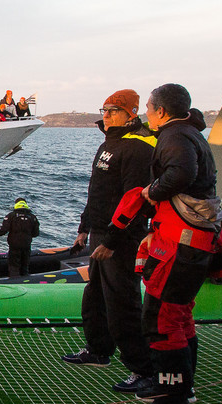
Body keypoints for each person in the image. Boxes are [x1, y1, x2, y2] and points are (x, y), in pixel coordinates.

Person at [109, 83, 222, 404]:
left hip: (181, 244)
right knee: (180, 315)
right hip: (194, 242)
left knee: (162, 319)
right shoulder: (190, 134)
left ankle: (173, 402)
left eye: (148, 107)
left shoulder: (174, 138)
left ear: (160, 111)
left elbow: (181, 173)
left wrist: (151, 192)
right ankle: (181, 388)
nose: (146, 112)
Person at [62, 89, 157, 383]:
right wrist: (84, 227)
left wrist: (111, 241)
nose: (105, 115)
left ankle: (142, 368)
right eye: (104, 109)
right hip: (101, 231)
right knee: (95, 295)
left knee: (123, 301)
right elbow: (98, 192)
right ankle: (98, 349)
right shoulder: (111, 143)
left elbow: (135, 201)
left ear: (131, 113)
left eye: (113, 110)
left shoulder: (138, 149)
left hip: (121, 237)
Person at [0, 199, 41, 280]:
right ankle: (26, 281)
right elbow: (36, 234)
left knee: (14, 266)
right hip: (26, 245)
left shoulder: (11, 216)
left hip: (14, 245)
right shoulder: (33, 217)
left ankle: (14, 282)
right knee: (25, 266)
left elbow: (3, 231)